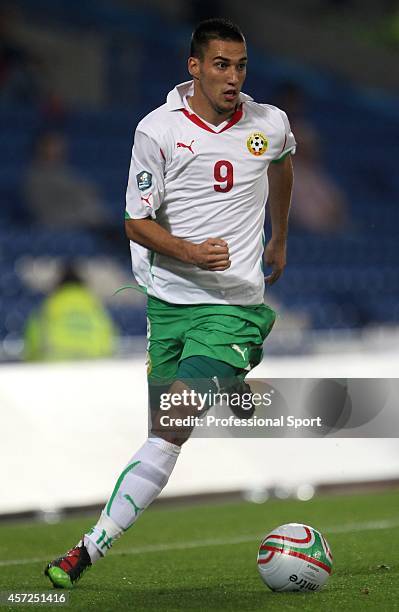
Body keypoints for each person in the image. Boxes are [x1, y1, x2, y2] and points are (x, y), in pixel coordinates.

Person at [44, 18, 295, 589]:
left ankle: (87, 549)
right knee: (163, 427)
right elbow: (134, 221)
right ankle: (231, 382)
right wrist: (187, 251)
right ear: (195, 67)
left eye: (241, 66)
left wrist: (278, 236)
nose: (233, 77)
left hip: (232, 302)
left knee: (172, 424)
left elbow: (282, 161)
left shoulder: (268, 124)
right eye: (222, 65)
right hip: (169, 304)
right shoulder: (158, 131)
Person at [24, 264, 117, 361]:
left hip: (54, 369)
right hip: (92, 369)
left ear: (57, 286)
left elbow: (31, 350)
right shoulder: (98, 311)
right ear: (84, 286)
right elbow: (109, 346)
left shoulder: (45, 310)